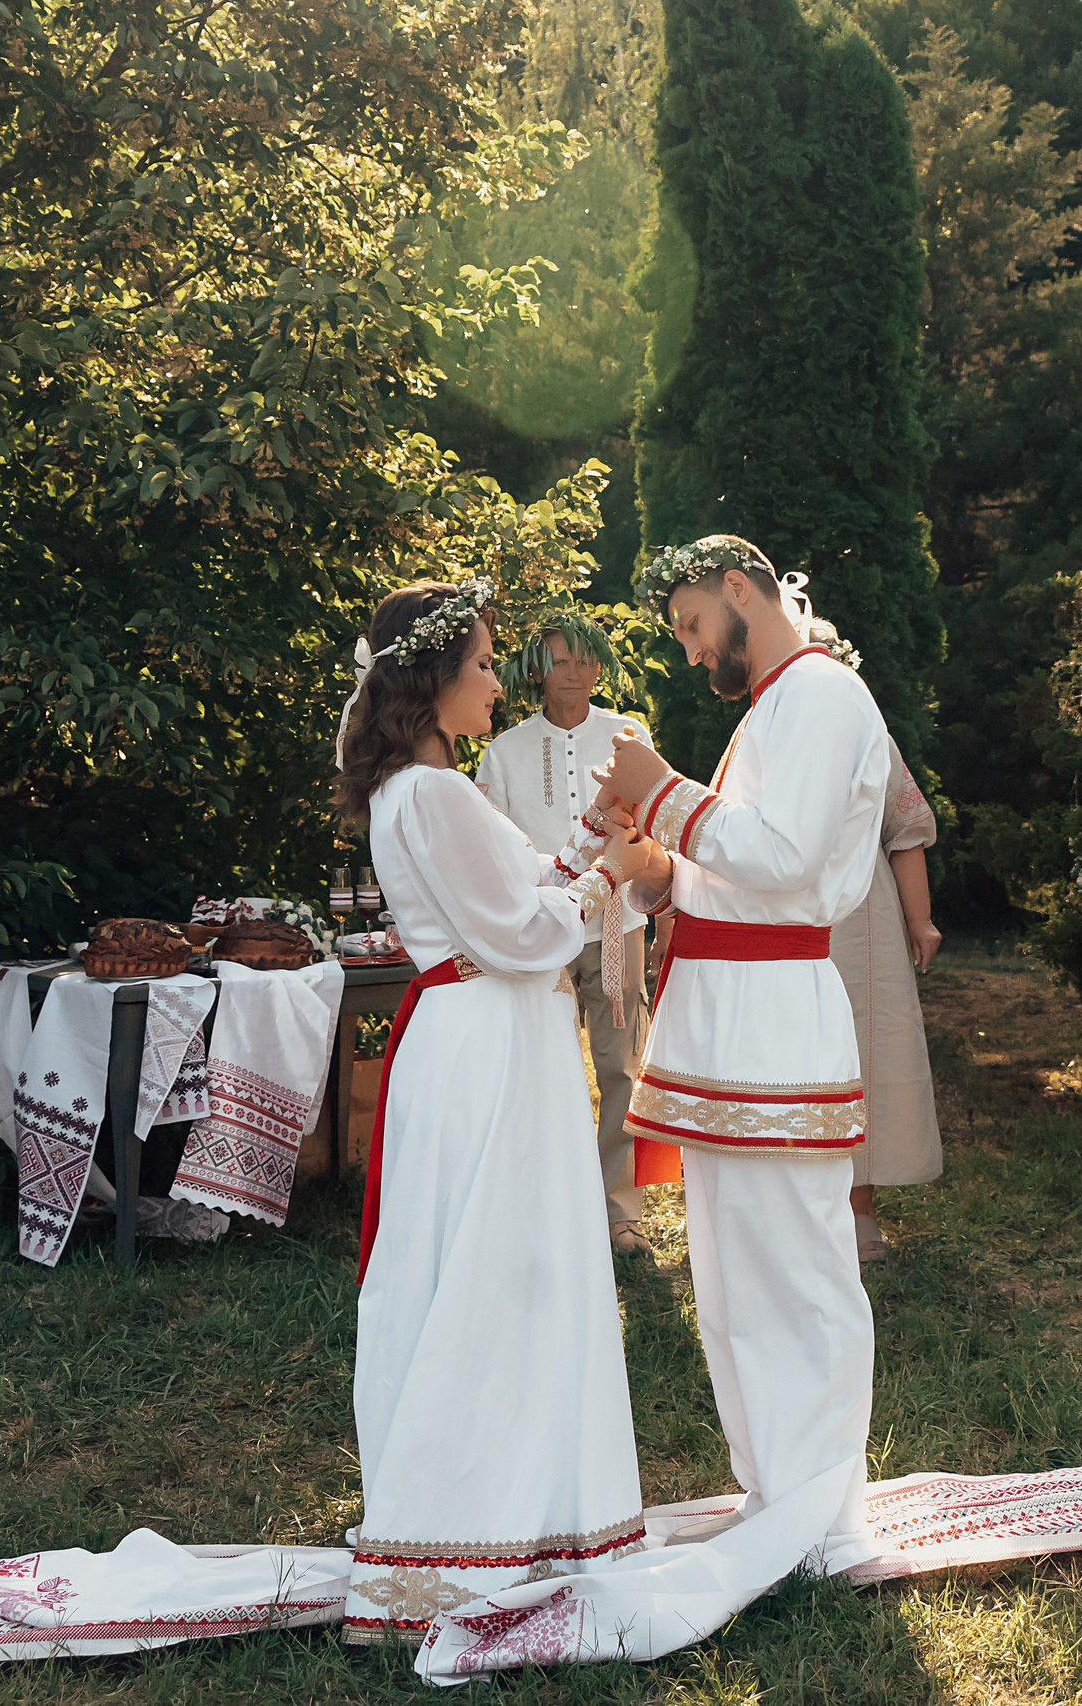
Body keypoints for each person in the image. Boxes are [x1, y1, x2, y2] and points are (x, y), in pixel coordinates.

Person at [411, 535, 891, 1677]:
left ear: (739, 591)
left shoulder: (822, 694)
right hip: (725, 1015)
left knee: (798, 1268)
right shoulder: (767, 706)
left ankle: (823, 1510)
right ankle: (777, 1488)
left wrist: (657, 792)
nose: (687, 651)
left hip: (775, 1017)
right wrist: (650, 862)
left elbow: (783, 858)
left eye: (687, 627)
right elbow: (727, 871)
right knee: (728, 1279)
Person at [331, 580, 659, 1645]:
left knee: (492, 1260)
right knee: (497, 1265)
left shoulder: (432, 792)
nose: (493, 679)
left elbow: (522, 888)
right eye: (479, 663)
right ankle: (476, 1517)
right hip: (487, 1041)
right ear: (430, 681)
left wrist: (590, 838)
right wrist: (610, 877)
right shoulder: (432, 795)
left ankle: (526, 1505)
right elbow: (523, 936)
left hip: (478, 1038)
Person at [476, 622, 657, 1256]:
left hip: (617, 921)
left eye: (585, 661)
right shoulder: (503, 751)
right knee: (540, 1067)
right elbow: (490, 852)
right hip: (538, 929)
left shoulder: (628, 738)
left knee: (619, 1066)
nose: (574, 673)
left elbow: (651, 826)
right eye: (560, 662)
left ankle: (620, 1212)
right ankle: (544, 1205)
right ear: (535, 672)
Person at [834, 733, 943, 1262]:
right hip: (780, 913)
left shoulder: (867, 734)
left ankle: (859, 1208)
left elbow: (905, 832)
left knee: (864, 1052)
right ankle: (792, 1207)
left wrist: (919, 919)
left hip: (861, 918)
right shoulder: (763, 725)